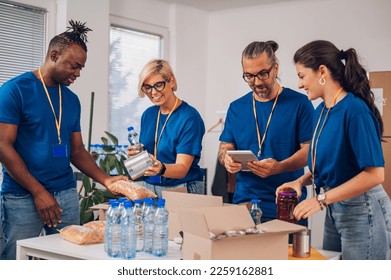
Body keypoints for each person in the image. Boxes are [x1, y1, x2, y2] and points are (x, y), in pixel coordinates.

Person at [0, 20, 128, 260]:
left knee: (69, 260)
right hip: (22, 196)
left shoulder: (71, 99)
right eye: (74, 66)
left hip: (65, 195)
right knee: (14, 260)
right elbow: (2, 146)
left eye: (81, 68)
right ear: (54, 55)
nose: (77, 73)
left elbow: (77, 151)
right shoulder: (15, 90)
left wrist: (107, 179)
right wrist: (39, 192)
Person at [276, 40, 391, 260]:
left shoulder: (355, 111)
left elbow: (375, 175)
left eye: (301, 76)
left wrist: (320, 200)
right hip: (334, 208)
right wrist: (299, 182)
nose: (299, 84)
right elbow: (331, 165)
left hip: (362, 208)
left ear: (322, 71)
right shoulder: (321, 111)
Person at [218, 40, 314, 223]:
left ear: (275, 68)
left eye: (263, 74)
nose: (256, 82)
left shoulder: (300, 104)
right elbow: (224, 147)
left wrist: (280, 167)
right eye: (249, 76)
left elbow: (310, 151)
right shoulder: (236, 108)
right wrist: (227, 160)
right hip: (244, 206)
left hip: (287, 205)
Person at [128, 59, 205, 198]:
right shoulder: (148, 115)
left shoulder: (189, 118)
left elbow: (182, 168)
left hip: (181, 186)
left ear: (172, 82)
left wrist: (161, 168)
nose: (153, 92)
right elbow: (150, 155)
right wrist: (138, 156)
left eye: (158, 85)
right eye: (147, 87)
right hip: (151, 184)